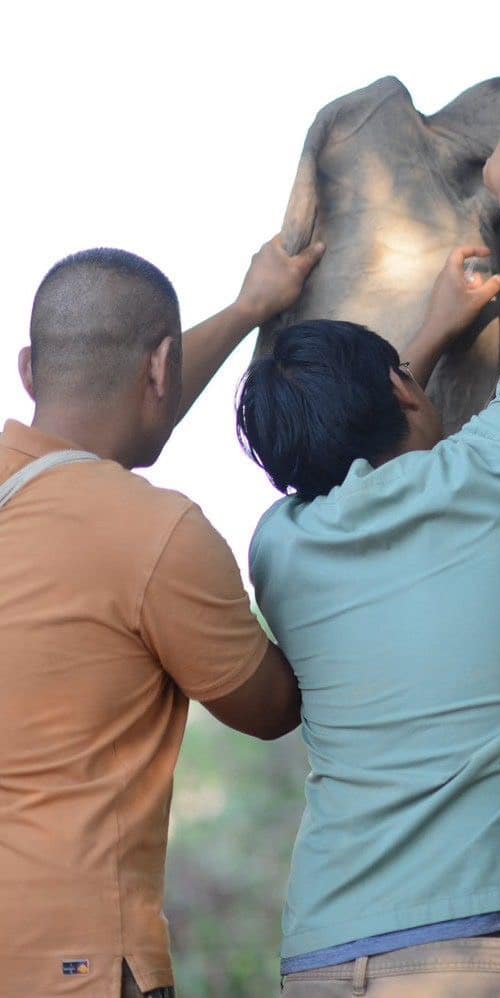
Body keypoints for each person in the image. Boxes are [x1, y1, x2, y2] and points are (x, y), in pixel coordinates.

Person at [235, 133, 500, 997]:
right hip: (483, 961)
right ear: (405, 395)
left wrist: (419, 343)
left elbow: (344, 455)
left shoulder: (279, 548)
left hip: (321, 958)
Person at [0, 238, 324, 998]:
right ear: (159, 368)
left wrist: (248, 311)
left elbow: (126, 409)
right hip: (74, 964)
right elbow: (272, 709)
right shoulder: (156, 535)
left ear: (26, 370)